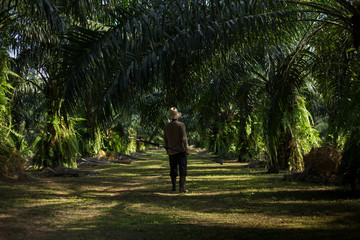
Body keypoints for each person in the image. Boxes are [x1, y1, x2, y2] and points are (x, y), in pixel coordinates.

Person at [164, 107, 189, 193]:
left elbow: (165, 140)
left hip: (171, 151)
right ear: (177, 116)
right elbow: (184, 138)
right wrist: (186, 149)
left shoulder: (167, 127)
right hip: (180, 151)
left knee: (173, 168)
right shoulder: (181, 125)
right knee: (182, 168)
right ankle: (181, 187)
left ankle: (174, 187)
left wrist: (167, 150)